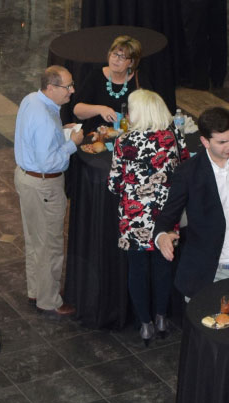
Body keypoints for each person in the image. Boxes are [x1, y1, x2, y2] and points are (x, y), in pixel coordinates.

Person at [154, 106, 229, 298]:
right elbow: (165, 218)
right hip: (209, 273)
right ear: (204, 141)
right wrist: (162, 237)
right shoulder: (188, 173)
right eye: (222, 142)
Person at [107, 90, 189, 340]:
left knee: (137, 268)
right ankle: (162, 317)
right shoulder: (173, 136)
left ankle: (145, 323)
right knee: (164, 265)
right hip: (166, 215)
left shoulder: (125, 141)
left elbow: (114, 184)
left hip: (135, 218)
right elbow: (184, 168)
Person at [13, 66, 83, 315]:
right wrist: (72, 144)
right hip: (44, 184)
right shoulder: (44, 117)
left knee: (35, 240)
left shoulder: (31, 99)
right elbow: (49, 161)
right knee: (50, 246)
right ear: (51, 88)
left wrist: (61, 133)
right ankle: (50, 300)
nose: (72, 91)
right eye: (67, 87)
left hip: (26, 178)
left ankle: (37, 290)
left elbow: (39, 143)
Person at [70, 34, 142, 135]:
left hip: (127, 138)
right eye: (114, 54)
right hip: (97, 138)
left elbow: (150, 112)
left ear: (131, 63)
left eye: (122, 57)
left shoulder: (139, 79)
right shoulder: (96, 75)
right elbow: (77, 110)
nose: (116, 59)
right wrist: (100, 109)